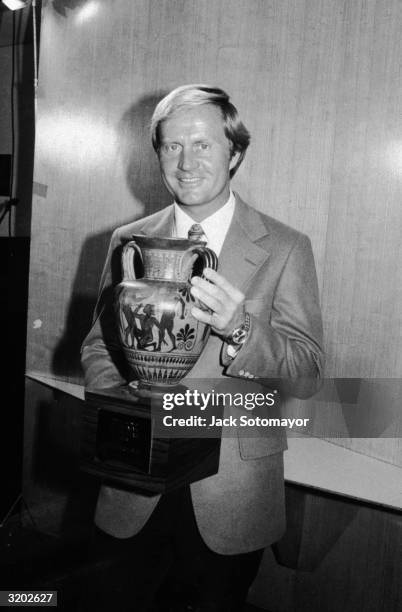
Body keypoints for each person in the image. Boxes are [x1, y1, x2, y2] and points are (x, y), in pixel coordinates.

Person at [81, 85, 324, 612]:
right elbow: (97, 346)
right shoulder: (129, 240)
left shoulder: (286, 247)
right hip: (133, 481)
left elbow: (307, 375)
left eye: (203, 145)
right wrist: (121, 401)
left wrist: (241, 329)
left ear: (234, 152)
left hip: (230, 494)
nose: (186, 162)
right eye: (171, 146)